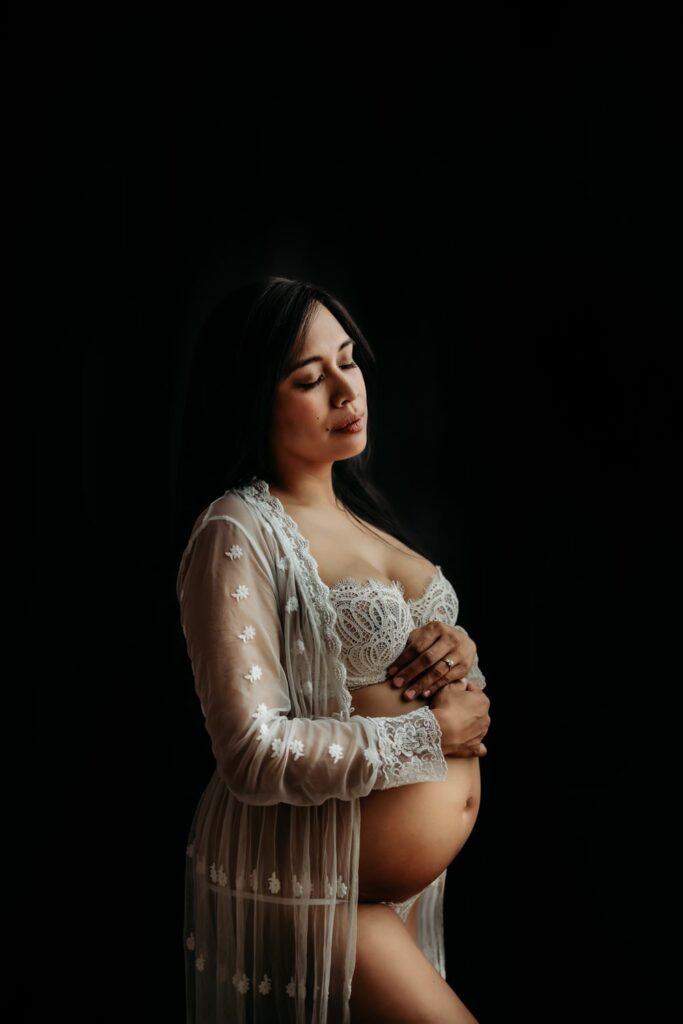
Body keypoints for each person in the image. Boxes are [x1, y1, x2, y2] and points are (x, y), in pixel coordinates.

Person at [176, 276, 491, 1022]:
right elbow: (250, 751)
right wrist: (429, 733)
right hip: (304, 883)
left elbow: (377, 676)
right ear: (253, 398)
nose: (345, 391)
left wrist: (457, 659)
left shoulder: (364, 519)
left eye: (346, 362)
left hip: (379, 889)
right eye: (309, 378)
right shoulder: (237, 529)